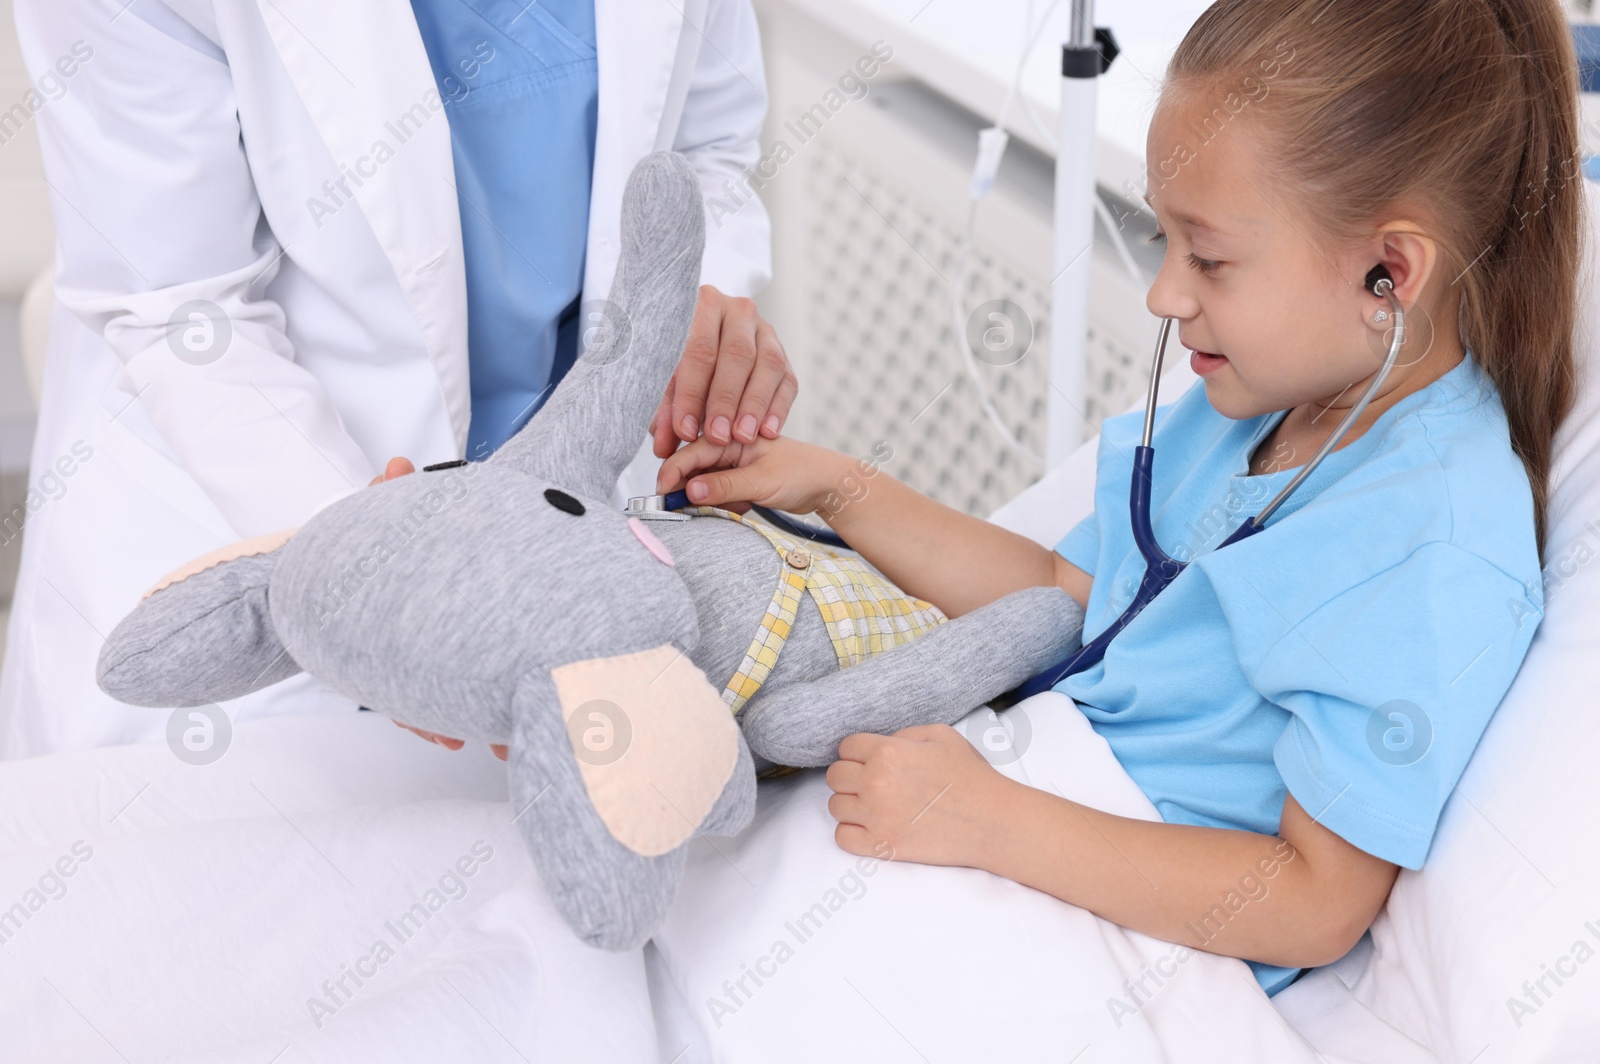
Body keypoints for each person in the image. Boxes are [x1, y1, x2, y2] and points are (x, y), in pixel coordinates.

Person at [657, 0, 1578, 995]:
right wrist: (840, 486)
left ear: (1388, 273)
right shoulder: (1254, 404)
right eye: (1161, 241)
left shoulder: (1432, 537)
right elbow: (1065, 595)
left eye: (1209, 256)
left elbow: (1317, 900)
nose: (1164, 295)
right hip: (1005, 799)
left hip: (1124, 932)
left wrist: (987, 819)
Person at [0, 0, 794, 757]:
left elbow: (708, 142)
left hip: (574, 530)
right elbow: (184, 307)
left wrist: (690, 290)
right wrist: (372, 585)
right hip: (251, 519)